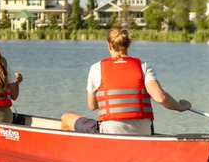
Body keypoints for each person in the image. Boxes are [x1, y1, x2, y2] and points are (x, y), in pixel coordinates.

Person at [61, 26, 190, 135]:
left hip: (110, 132)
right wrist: (180, 106)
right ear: (129, 43)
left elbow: (92, 106)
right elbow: (161, 98)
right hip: (143, 133)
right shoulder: (143, 66)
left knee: (66, 118)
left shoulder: (96, 68)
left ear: (109, 45)